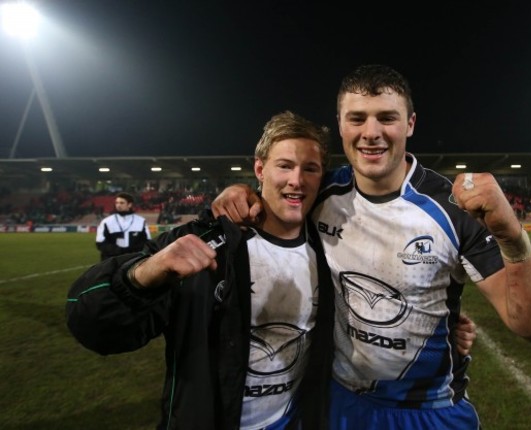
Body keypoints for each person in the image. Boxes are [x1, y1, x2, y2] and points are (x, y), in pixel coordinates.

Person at [211, 64, 531, 429]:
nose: (371, 133)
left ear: (410, 124)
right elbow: (279, 193)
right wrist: (239, 194)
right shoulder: (321, 192)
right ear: (341, 124)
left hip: (430, 412)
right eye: (357, 118)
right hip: (341, 404)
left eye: (387, 118)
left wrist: (511, 235)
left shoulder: (452, 208)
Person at [67, 111, 336, 429]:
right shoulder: (201, 242)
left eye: (310, 168)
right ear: (260, 169)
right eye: (285, 165)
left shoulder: (329, 249)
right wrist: (145, 275)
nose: (297, 180)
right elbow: (94, 328)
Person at [95, 192, 152, 260]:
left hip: (134, 260)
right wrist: (118, 251)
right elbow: (100, 243)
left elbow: (146, 242)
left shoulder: (141, 221)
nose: (118, 205)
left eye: (122, 203)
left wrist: (131, 252)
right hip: (111, 261)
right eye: (117, 203)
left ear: (129, 205)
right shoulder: (107, 222)